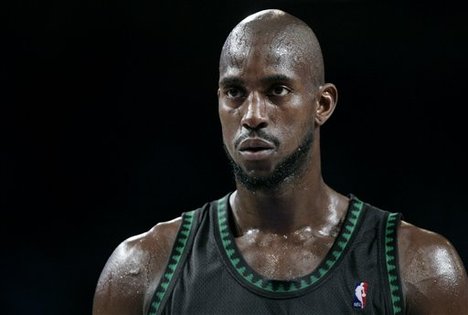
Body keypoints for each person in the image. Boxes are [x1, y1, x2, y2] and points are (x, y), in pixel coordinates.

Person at [92, 9, 468, 315]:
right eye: (235, 92)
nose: (252, 114)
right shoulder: (141, 270)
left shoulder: (417, 267)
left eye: (277, 90)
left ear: (322, 105)